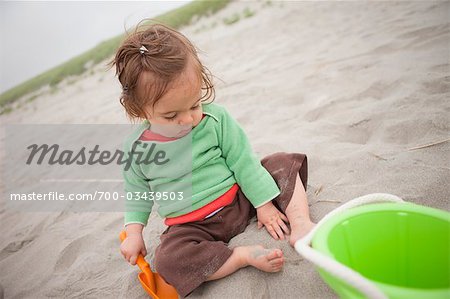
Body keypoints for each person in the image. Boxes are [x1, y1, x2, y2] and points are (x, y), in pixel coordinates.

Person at [109, 21, 315, 297]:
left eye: (194, 104)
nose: (188, 119)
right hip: (191, 226)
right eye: (171, 116)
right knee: (168, 260)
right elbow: (137, 194)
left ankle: (300, 222)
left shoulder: (215, 119)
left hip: (241, 200)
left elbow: (243, 161)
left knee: (281, 162)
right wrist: (134, 232)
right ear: (139, 109)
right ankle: (239, 257)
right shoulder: (137, 148)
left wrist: (264, 204)